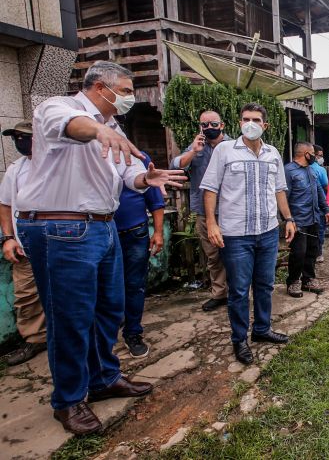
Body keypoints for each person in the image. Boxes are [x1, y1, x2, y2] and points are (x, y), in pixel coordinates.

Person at [15, 61, 186, 435]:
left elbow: (126, 174)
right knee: (71, 318)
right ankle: (69, 400)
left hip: (103, 226)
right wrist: (96, 131)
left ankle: (104, 378)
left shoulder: (113, 127)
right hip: (61, 226)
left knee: (110, 308)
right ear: (99, 87)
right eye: (124, 91)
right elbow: (73, 128)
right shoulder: (60, 108)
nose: (129, 98)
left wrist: (146, 177)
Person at [201, 103, 294, 365]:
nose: (249, 123)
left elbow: (279, 190)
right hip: (235, 234)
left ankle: (262, 330)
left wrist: (288, 219)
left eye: (255, 119)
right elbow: (210, 189)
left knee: (265, 285)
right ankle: (239, 339)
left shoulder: (273, 153)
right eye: (245, 119)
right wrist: (211, 223)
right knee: (239, 291)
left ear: (265, 125)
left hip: (267, 231)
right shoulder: (224, 150)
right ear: (239, 123)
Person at [171, 111, 231, 312]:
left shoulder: (233, 146)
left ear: (222, 125)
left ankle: (238, 293)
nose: (209, 127)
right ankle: (219, 294)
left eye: (213, 123)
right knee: (213, 255)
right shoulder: (196, 147)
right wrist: (194, 151)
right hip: (205, 212)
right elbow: (175, 165)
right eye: (204, 124)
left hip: (231, 209)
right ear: (200, 127)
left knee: (235, 253)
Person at [0, 121, 46, 366]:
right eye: (16, 137)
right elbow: (5, 204)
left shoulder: (56, 164)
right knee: (27, 295)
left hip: (60, 243)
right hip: (24, 246)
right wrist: (7, 238)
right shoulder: (16, 170)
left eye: (24, 137)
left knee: (69, 292)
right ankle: (35, 338)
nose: (20, 142)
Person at [113, 151, 165, 358]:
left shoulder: (139, 158)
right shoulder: (88, 154)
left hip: (135, 232)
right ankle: (103, 336)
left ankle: (133, 332)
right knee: (104, 287)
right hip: (102, 233)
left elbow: (155, 200)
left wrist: (158, 232)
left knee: (135, 284)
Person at [284, 142, 329, 298]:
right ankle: (293, 281)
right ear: (305, 153)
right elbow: (283, 198)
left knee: (312, 250)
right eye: (313, 153)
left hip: (314, 218)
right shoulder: (289, 171)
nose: (316, 156)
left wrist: (326, 209)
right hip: (298, 220)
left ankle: (308, 279)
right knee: (299, 252)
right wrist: (288, 219)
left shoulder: (311, 170)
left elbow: (319, 191)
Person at [311, 145, 329, 263]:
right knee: (320, 229)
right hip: (319, 204)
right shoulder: (320, 169)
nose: (321, 158)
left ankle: (310, 253)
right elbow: (326, 186)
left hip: (305, 205)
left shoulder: (300, 168)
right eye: (320, 156)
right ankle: (319, 253)